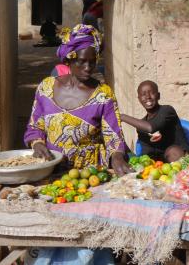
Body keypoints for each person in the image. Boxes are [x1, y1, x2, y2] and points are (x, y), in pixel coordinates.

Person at [24, 24, 132, 176]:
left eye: (92, 61)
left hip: (90, 174)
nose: (88, 67)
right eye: (81, 61)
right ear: (68, 61)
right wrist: (37, 144)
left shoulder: (103, 95)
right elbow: (35, 128)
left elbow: (114, 138)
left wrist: (117, 157)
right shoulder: (46, 88)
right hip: (51, 169)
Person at [120, 81, 189, 162]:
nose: (148, 97)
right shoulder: (141, 126)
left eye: (152, 93)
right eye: (143, 94)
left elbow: (151, 127)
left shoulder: (167, 110)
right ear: (139, 99)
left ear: (158, 96)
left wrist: (122, 117)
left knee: (173, 152)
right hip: (160, 165)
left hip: (180, 158)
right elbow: (146, 151)